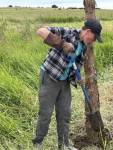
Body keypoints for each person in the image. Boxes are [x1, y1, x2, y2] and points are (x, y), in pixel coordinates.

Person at [32, 19, 102, 150]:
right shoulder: (68, 33)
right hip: (50, 76)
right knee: (45, 113)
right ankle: (38, 143)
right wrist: (62, 43)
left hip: (64, 82)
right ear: (88, 31)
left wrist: (77, 79)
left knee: (65, 114)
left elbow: (74, 68)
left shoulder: (84, 47)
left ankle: (64, 145)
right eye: (94, 37)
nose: (94, 41)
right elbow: (40, 31)